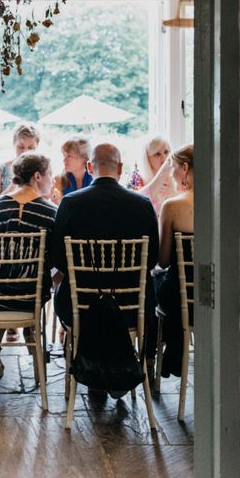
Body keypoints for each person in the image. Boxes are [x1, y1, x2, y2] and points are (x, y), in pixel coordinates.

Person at [50, 143, 160, 375]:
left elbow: (59, 259)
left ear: (90, 167)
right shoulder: (142, 205)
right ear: (120, 168)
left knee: (64, 291)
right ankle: (123, 368)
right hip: (132, 307)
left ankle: (92, 367)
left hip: (80, 306)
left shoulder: (70, 204)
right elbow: (151, 261)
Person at [0, 152, 56, 383]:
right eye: (50, 174)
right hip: (29, 300)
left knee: (2, 278)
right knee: (28, 283)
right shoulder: (50, 212)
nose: (53, 179)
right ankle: (36, 359)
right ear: (38, 176)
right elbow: (56, 257)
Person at [153, 144, 194, 379]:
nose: (172, 174)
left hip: (179, 296)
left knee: (154, 283)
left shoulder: (173, 206)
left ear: (185, 168)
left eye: (174, 168)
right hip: (212, 296)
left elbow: (164, 259)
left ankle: (150, 356)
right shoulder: (219, 203)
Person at [0, 122, 41, 203]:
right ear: (14, 144)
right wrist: (14, 184)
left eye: (31, 148)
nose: (25, 151)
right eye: (21, 147)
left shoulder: (42, 171)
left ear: (37, 146)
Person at [133, 135, 177, 216]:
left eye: (166, 152)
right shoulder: (137, 179)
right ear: (147, 158)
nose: (164, 158)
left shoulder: (176, 178)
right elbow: (135, 205)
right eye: (157, 154)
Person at [52, 135, 93, 205]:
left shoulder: (95, 179)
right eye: (64, 155)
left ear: (84, 158)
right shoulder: (58, 180)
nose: (64, 160)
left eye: (69, 156)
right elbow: (59, 211)